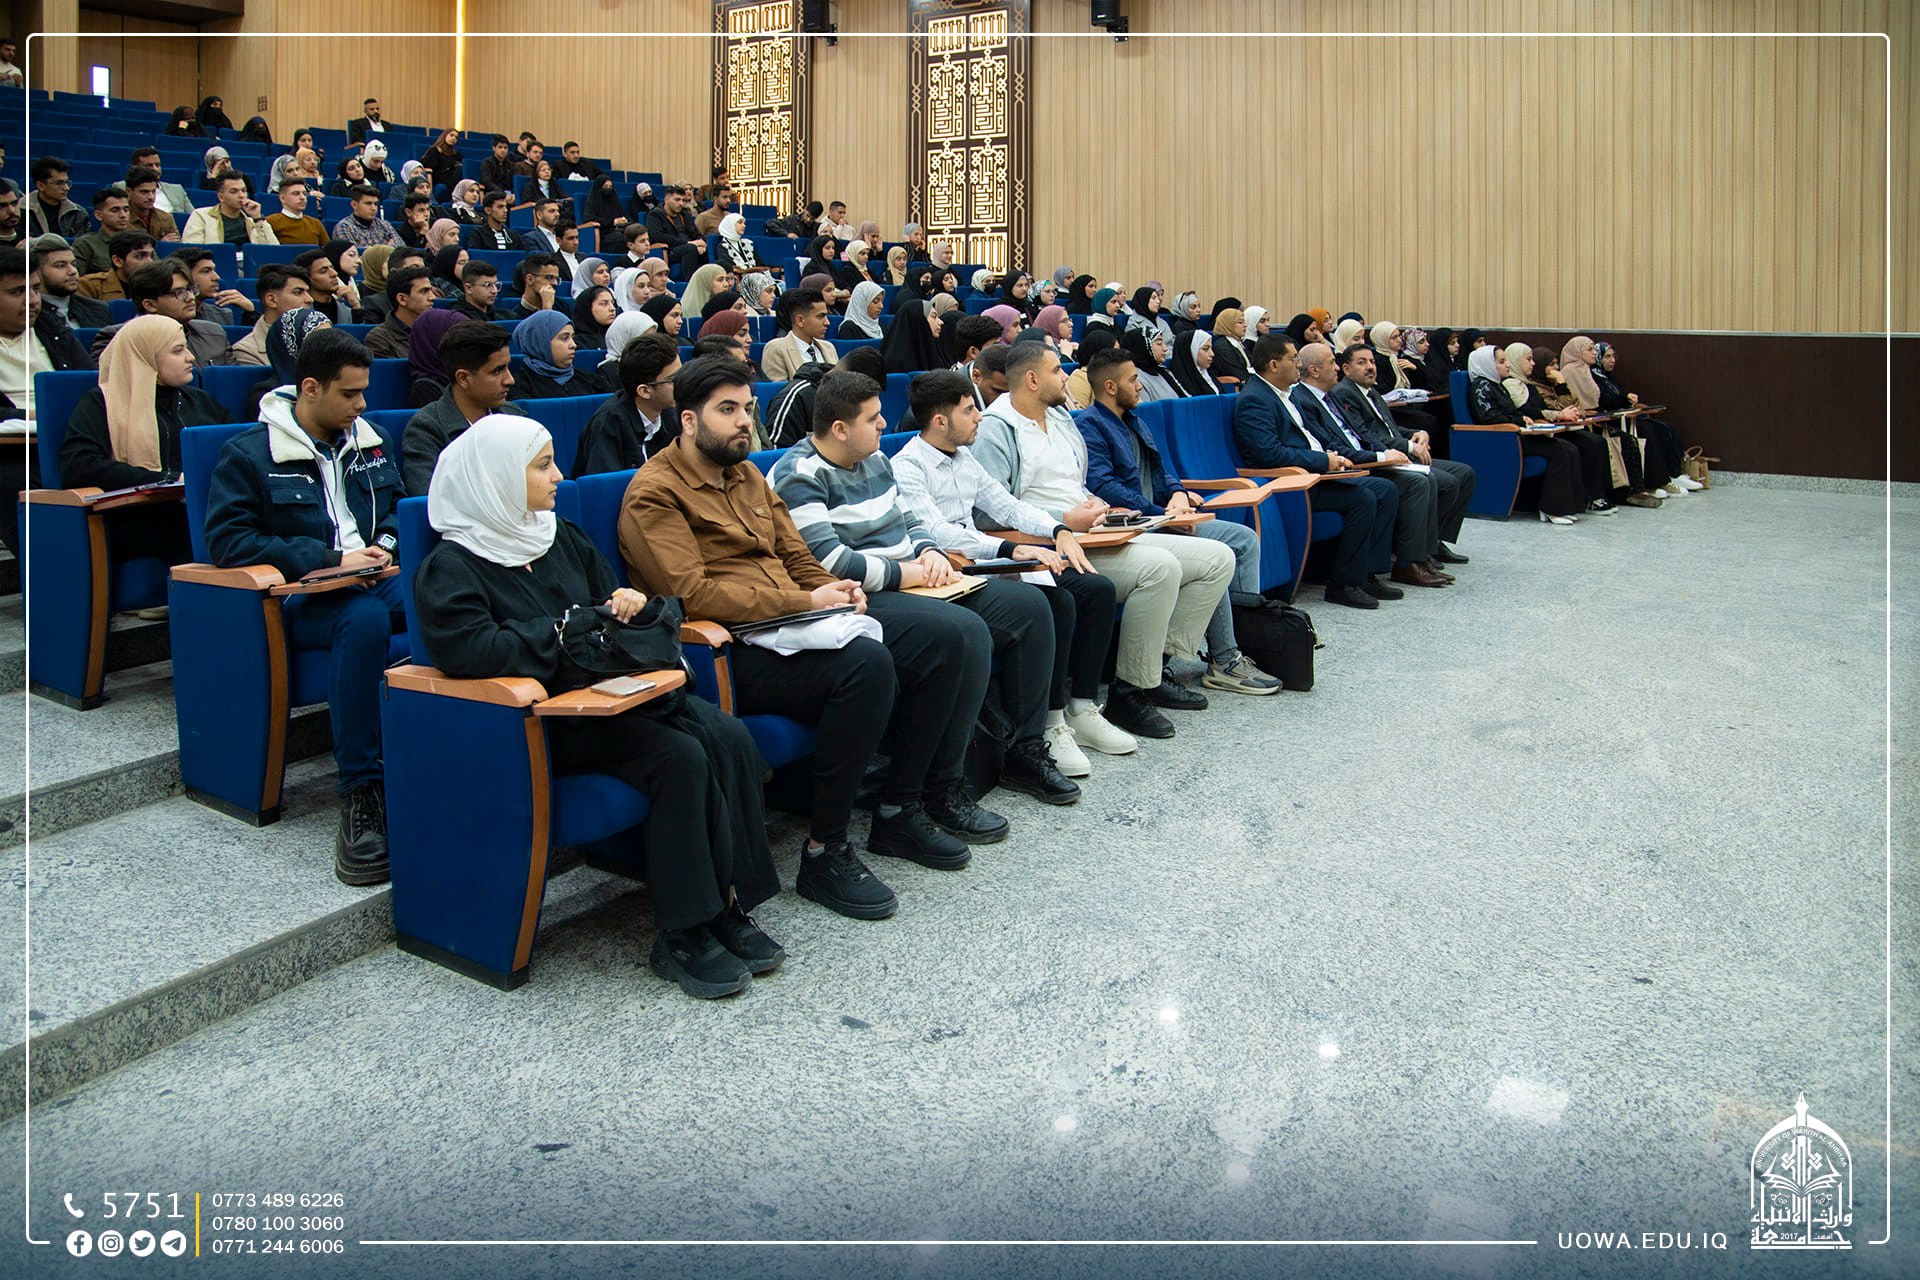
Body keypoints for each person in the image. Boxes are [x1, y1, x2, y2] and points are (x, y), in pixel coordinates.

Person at [417, 412, 782, 997]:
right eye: (542, 466)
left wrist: (622, 604)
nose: (559, 476)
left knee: (728, 736)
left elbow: (603, 607)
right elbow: (472, 650)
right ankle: (682, 932)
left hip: (614, 696)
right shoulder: (452, 566)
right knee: (680, 758)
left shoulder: (558, 534)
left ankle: (727, 904)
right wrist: (568, 632)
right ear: (496, 478)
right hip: (544, 722)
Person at [619, 357, 910, 920]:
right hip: (726, 650)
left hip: (789, 626)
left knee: (907, 643)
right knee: (866, 666)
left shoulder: (746, 473)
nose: (742, 422)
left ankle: (901, 804)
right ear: (687, 420)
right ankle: (826, 850)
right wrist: (806, 602)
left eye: (747, 409)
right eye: (727, 410)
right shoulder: (655, 493)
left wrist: (833, 588)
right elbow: (692, 595)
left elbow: (794, 554)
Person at [776, 368, 1076, 810]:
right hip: (863, 595)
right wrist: (909, 573)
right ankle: (942, 786)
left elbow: (911, 521)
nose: (885, 424)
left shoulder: (875, 461)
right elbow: (830, 564)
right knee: (964, 632)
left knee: (1030, 607)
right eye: (873, 418)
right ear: (840, 429)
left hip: (914, 576)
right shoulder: (799, 473)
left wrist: (930, 550)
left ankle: (1024, 751)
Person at [204, 329, 403, 884]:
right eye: (350, 393)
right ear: (310, 388)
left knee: (443, 597)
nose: (362, 404)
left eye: (364, 392)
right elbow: (228, 541)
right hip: (299, 597)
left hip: (375, 576)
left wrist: (382, 550)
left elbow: (397, 511)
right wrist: (330, 558)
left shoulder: (373, 441)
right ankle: (361, 789)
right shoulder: (250, 453)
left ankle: (445, 752)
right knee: (363, 619)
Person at [972, 342, 1234, 740]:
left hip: (1092, 531)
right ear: (1032, 379)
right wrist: (1063, 520)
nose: (1066, 376)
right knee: (1160, 569)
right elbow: (989, 514)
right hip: (1049, 543)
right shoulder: (997, 428)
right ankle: (1129, 694)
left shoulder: (1059, 417)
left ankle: (1152, 668)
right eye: (1057, 369)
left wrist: (1096, 504)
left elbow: (1074, 483)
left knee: (1216, 559)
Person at [893, 369, 1131, 775]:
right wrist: (1008, 547)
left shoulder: (964, 457)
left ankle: (1077, 709)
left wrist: (1057, 530)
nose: (979, 417)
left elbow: (1006, 505)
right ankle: (1044, 728)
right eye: (969, 411)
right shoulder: (908, 466)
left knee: (1093, 590)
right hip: (952, 569)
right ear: (940, 421)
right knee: (1055, 603)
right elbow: (936, 532)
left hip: (985, 560)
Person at [1075, 345, 1283, 696]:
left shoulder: (1134, 420)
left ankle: (1238, 647)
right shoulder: (1090, 426)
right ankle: (1226, 658)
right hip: (1135, 525)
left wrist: (1178, 495)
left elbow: (1162, 470)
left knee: (1243, 540)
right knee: (1213, 551)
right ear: (1110, 387)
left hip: (1161, 515)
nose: (1140, 385)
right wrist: (1163, 515)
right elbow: (1104, 486)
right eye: (1133, 380)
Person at [1233, 336, 1399, 609]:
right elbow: (1269, 454)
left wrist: (1334, 457)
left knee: (1384, 489)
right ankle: (1343, 584)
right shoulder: (1255, 399)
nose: (1298, 364)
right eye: (1293, 359)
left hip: (1312, 473)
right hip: (1288, 483)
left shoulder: (1285, 393)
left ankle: (1367, 574)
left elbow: (1311, 436)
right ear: (1274, 365)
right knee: (1362, 498)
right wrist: (1322, 461)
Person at [1287, 341, 1446, 589]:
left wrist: (1389, 452)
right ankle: (1397, 566)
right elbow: (1331, 445)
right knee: (1408, 484)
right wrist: (1381, 457)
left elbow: (1361, 433)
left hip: (1362, 458)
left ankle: (1414, 558)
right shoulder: (1304, 400)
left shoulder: (1330, 395)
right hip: (1344, 466)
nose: (1337, 368)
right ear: (1315, 370)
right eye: (1332, 363)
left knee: (1425, 478)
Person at [1330, 343, 1477, 571]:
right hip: (1383, 459)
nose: (1370, 367)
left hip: (1400, 453)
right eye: (1362, 362)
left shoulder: (1371, 391)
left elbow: (1391, 428)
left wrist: (1417, 434)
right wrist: (1408, 446)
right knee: (1443, 482)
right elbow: (1366, 435)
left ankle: (1434, 540)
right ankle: (1415, 553)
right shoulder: (1344, 393)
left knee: (1464, 473)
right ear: (1346, 369)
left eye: (1372, 362)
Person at [1465, 344, 1585, 525]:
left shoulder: (1496, 385)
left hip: (1512, 435)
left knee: (1566, 447)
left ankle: (1566, 506)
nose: (1507, 365)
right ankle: (1552, 510)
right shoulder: (1481, 386)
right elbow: (1490, 417)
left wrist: (1524, 419)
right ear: (1487, 364)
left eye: (1506, 361)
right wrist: (1520, 422)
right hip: (1500, 440)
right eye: (1501, 362)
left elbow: (1510, 412)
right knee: (1559, 451)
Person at [403, 319, 529, 481]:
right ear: (463, 378)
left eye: (507, 367)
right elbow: (430, 492)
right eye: (497, 371)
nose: (510, 380)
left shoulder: (515, 416)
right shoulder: (426, 429)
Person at [1506, 340, 1613, 516]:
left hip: (1552, 428)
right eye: (1528, 359)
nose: (1555, 369)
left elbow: (1574, 406)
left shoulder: (1530, 385)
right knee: (1578, 446)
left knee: (1595, 441)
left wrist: (1561, 388)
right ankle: (1579, 501)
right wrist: (1560, 407)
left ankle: (1595, 497)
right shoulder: (1516, 386)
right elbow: (1531, 410)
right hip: (1532, 433)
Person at [1593, 340, 1700, 495]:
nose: (1612, 360)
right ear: (1598, 358)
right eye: (1607, 357)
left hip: (1626, 416)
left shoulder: (1609, 377)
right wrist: (1624, 399)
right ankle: (1656, 481)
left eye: (1613, 356)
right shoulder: (1592, 377)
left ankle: (1674, 473)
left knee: (1666, 428)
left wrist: (1629, 400)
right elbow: (1604, 401)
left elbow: (1619, 398)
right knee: (1648, 430)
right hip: (1611, 420)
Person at [88, 258, 234, 368]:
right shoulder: (116, 339)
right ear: (150, 305)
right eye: (179, 293)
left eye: (190, 290)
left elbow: (231, 384)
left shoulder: (215, 334)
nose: (190, 298)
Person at [573, 331, 680, 476]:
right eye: (673, 379)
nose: (683, 382)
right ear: (644, 391)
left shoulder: (671, 412)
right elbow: (607, 485)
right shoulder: (608, 423)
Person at [227, 264, 313, 367]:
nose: (310, 299)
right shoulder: (247, 351)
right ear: (272, 300)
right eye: (298, 292)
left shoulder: (319, 338)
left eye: (308, 292)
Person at [508, 310, 602, 400]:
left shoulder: (589, 379)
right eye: (565, 338)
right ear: (541, 342)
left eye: (572, 337)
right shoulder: (519, 386)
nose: (574, 345)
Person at [32, 235, 111, 328]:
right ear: (36, 272)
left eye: (74, 264)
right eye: (61, 266)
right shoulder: (29, 315)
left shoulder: (98, 309)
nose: (73, 271)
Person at [762, 287, 838, 381]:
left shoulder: (829, 348)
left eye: (826, 316)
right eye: (820, 316)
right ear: (800, 320)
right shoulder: (776, 349)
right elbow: (779, 388)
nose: (827, 322)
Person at [363, 264, 437, 360]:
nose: (432, 297)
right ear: (402, 299)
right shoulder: (379, 339)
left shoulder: (439, 330)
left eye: (431, 290)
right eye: (424, 291)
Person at [182, 174, 278, 245]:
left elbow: (272, 249)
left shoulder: (252, 222)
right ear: (221, 197)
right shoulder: (201, 216)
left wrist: (258, 218)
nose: (241, 195)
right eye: (234, 191)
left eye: (244, 191)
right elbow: (192, 250)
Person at [74, 230, 155, 301]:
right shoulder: (90, 285)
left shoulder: (158, 286)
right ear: (117, 261)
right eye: (140, 256)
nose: (150, 262)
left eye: (151, 256)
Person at [644, 185, 706, 278]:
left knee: (707, 250)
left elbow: (695, 232)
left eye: (682, 200)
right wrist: (688, 243)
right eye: (677, 200)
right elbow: (658, 237)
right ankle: (689, 282)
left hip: (690, 246)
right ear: (666, 200)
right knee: (690, 249)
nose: (681, 203)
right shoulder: (655, 215)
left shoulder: (685, 214)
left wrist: (701, 243)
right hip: (670, 250)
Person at [70, 186, 131, 276]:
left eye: (126, 210)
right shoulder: (85, 244)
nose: (123, 215)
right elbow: (76, 278)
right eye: (115, 210)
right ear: (98, 215)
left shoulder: (139, 240)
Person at [27, 157, 88, 241]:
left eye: (67, 183)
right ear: (40, 185)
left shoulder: (78, 213)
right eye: (59, 183)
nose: (66, 188)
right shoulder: (21, 211)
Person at [879, 298, 946, 373]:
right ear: (919, 320)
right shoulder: (896, 362)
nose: (941, 322)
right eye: (934, 317)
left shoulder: (932, 349)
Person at [127, 148, 196, 219]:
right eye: (149, 165)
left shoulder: (177, 189)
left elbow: (194, 216)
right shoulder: (123, 187)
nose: (155, 169)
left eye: (157, 165)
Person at [331, 185, 402, 250]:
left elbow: (401, 248)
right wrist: (387, 247)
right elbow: (353, 255)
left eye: (375, 204)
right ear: (354, 204)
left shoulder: (385, 224)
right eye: (368, 203)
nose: (373, 208)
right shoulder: (344, 227)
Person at [262, 176, 327, 245]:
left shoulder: (316, 224)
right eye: (296, 193)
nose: (302, 197)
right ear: (282, 198)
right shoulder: (271, 222)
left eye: (304, 194)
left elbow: (327, 249)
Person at [499, 252, 563, 319]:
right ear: (530, 279)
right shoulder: (514, 316)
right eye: (549, 277)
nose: (555, 283)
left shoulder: (562, 306)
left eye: (557, 279)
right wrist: (547, 309)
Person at [122, 168, 179, 242]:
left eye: (153, 191)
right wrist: (160, 245)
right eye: (144, 192)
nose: (151, 197)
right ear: (128, 192)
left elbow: (177, 245)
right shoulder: (121, 220)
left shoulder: (166, 218)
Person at [1165, 330, 1222, 397]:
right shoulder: (1177, 384)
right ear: (1191, 351)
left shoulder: (1209, 375)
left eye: (1211, 348)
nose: (1212, 354)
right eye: (1205, 349)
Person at [1209, 308, 1251, 388]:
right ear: (1228, 325)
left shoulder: (1239, 343)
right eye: (1240, 322)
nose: (1245, 325)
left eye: (1244, 322)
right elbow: (1237, 373)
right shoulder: (1222, 347)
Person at [417, 129, 464, 199]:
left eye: (456, 137)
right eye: (451, 135)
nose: (454, 138)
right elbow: (428, 169)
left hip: (452, 181)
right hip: (437, 180)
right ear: (444, 136)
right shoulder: (435, 151)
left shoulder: (457, 155)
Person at [570, 284, 616, 349]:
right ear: (587, 308)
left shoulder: (618, 336)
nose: (612, 308)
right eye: (604, 304)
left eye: (612, 303)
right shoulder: (576, 343)